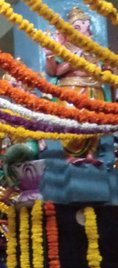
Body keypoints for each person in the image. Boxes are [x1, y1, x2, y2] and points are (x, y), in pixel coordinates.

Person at [45, 7, 109, 165]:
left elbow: (103, 69)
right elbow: (55, 71)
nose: (83, 31)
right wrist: (74, 57)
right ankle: (70, 155)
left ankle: (90, 153)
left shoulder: (96, 48)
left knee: (94, 122)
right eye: (78, 27)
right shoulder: (66, 48)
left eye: (86, 26)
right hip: (71, 88)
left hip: (94, 88)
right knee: (72, 121)